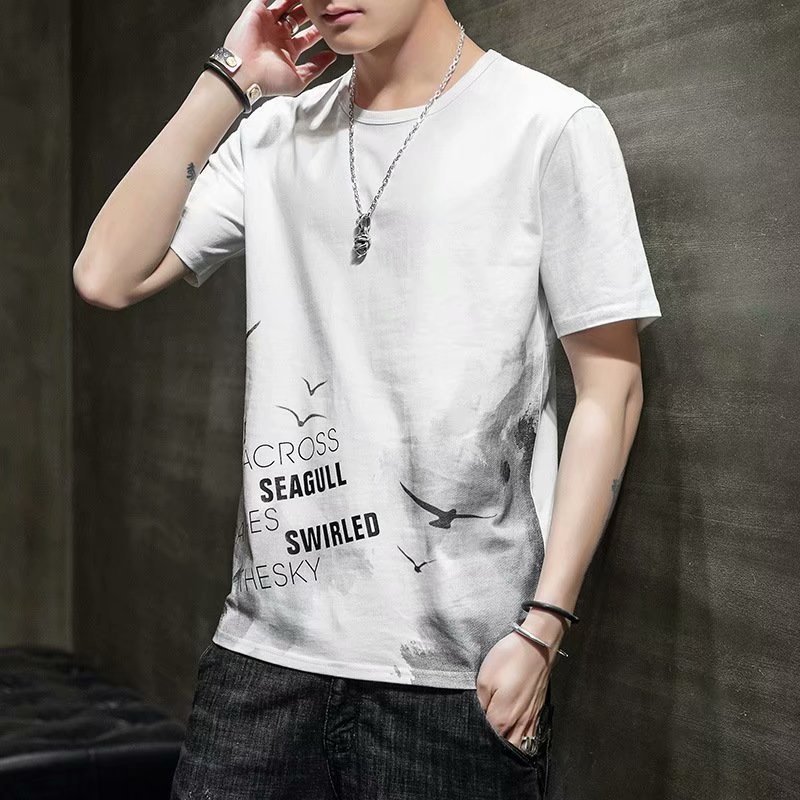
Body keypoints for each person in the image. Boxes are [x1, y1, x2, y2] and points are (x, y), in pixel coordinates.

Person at [73, 0, 662, 797]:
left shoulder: (547, 125)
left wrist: (542, 630)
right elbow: (106, 275)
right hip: (262, 663)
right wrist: (232, 80)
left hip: (457, 681)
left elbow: (611, 389)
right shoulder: (275, 137)